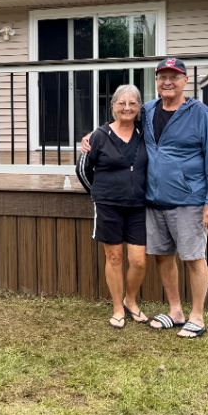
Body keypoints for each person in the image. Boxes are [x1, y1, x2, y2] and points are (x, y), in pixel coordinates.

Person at [81, 57, 208, 338]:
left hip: (189, 200)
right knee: (162, 258)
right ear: (157, 82)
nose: (168, 82)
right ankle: (176, 311)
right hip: (153, 201)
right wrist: (92, 135)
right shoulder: (148, 110)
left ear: (185, 80)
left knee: (194, 257)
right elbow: (121, 116)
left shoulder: (200, 114)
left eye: (174, 76)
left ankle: (197, 316)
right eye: (162, 77)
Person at [75, 84, 149, 329]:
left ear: (139, 107)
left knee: (138, 261)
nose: (127, 108)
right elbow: (82, 169)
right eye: (121, 103)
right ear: (113, 106)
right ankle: (118, 307)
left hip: (138, 205)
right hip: (108, 206)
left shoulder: (145, 132)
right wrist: (97, 194)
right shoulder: (98, 136)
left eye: (132, 103)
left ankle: (131, 300)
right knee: (114, 257)